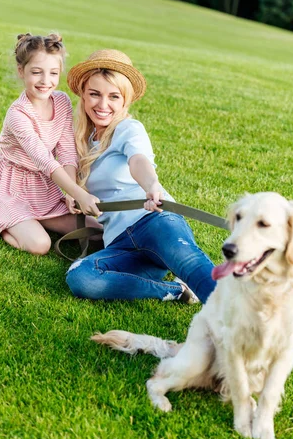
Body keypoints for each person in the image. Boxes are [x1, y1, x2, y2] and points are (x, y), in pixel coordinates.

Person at [65, 49, 216, 304]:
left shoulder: (128, 129)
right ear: (83, 94)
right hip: (120, 243)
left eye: (114, 96)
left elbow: (139, 161)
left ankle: (244, 328)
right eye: (95, 94)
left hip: (155, 221)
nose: (103, 105)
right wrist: (72, 194)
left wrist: (151, 184)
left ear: (126, 100)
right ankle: (174, 291)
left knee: (194, 266)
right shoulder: (82, 140)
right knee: (81, 277)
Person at [0, 33, 100, 255]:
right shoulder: (18, 114)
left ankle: (39, 218)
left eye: (53, 73)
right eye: (36, 72)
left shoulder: (61, 101)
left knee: (97, 231)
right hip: (9, 189)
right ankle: (3, 222)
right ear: (21, 71)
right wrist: (79, 193)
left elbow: (66, 151)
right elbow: (45, 160)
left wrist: (71, 193)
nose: (45, 81)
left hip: (41, 188)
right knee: (40, 245)